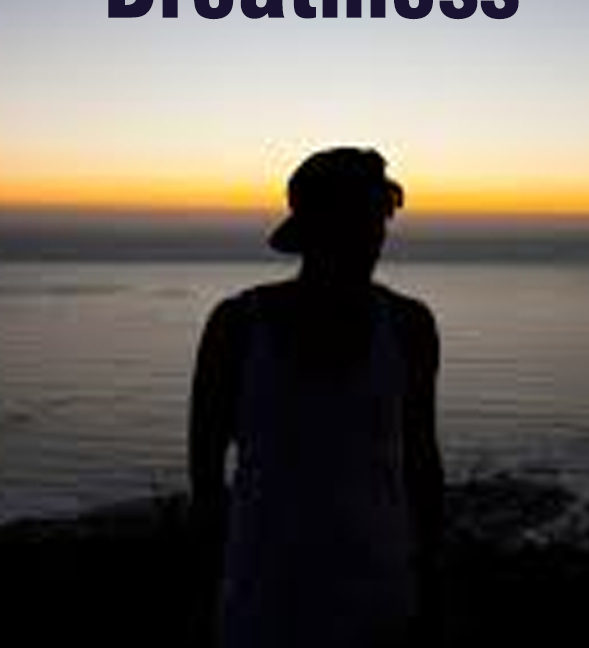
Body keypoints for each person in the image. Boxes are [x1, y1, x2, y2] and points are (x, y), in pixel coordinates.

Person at [188, 147, 443, 648]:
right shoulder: (237, 326)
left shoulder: (409, 326)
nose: (374, 235)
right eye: (357, 217)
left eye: (378, 217)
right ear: (316, 229)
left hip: (382, 604)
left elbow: (422, 461)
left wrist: (431, 581)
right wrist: (209, 593)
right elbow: (206, 479)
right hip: (264, 606)